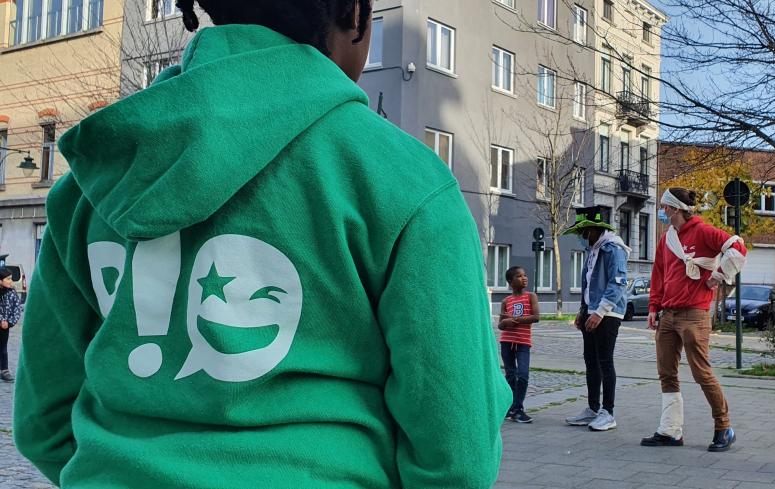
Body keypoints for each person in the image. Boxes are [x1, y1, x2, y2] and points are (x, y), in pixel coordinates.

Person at [13, 1, 511, 487]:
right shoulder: (406, 181)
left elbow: (43, 423)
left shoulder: (91, 184)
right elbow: (456, 455)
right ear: (355, 17)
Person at [642, 188, 747, 452]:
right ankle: (670, 430)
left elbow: (738, 247)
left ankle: (724, 427)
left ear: (675, 209)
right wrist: (654, 306)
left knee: (701, 372)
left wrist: (719, 275)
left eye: (665, 207)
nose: (662, 212)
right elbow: (659, 273)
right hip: (669, 313)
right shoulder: (667, 239)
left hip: (694, 313)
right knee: (666, 372)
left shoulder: (703, 232)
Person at [563, 207, 630, 432]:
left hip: (608, 313)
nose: (582, 237)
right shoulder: (593, 250)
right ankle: (592, 408)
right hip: (592, 311)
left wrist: (600, 312)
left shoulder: (612, 249)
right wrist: (583, 311)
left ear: (594, 229)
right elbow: (588, 285)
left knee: (604, 361)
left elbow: (618, 282)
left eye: (584, 232)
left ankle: (608, 412)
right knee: (590, 361)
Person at [500, 266, 541, 423]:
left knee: (522, 375)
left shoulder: (531, 296)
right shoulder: (506, 301)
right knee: (510, 375)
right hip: (507, 342)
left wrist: (514, 320)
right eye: (519, 276)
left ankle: (518, 408)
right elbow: (501, 325)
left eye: (525, 275)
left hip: (523, 343)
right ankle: (512, 408)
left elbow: (536, 317)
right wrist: (506, 321)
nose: (524, 278)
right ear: (510, 282)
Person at [0, 268, 23, 383]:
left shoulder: (12, 293)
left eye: (11, 279)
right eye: (8, 279)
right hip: (1, 323)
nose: (10, 281)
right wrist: (1, 320)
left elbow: (17, 309)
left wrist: (9, 322)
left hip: (5, 327)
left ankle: (4, 370)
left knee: (3, 348)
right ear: (0, 281)